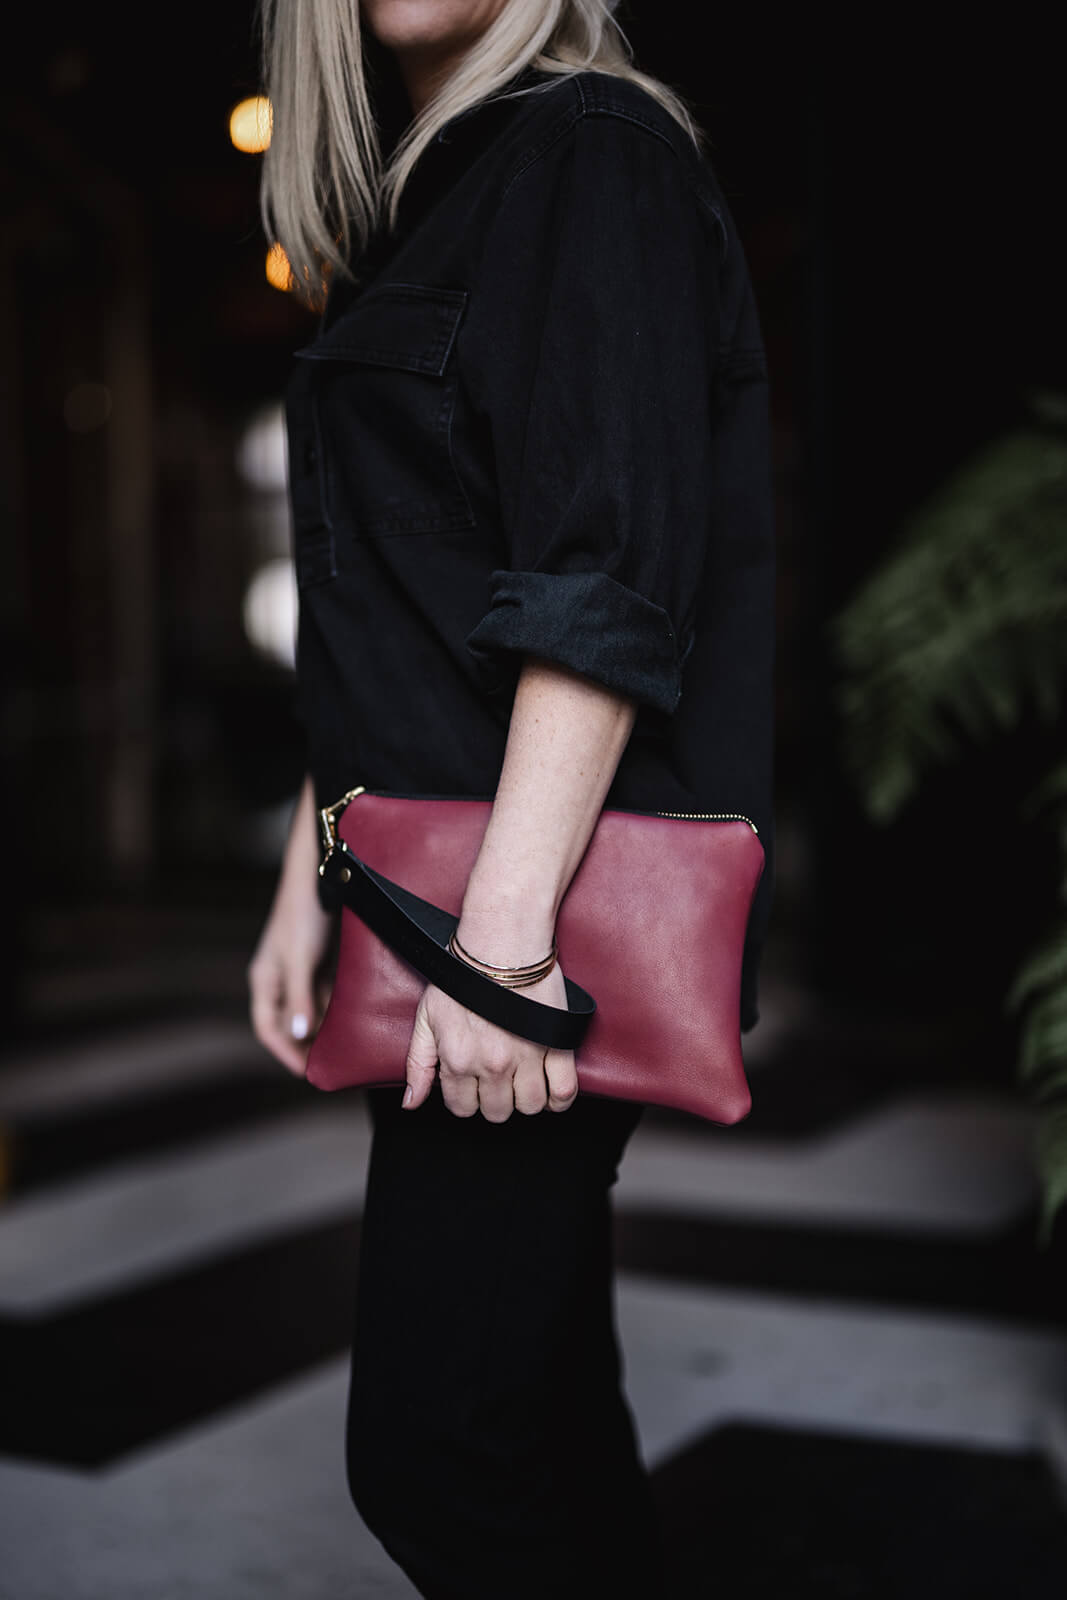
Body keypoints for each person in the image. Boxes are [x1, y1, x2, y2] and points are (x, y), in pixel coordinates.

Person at [248, 1, 775, 1594]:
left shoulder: (589, 154)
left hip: (516, 931)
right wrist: (309, 866)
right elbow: (397, 595)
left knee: (441, 1448)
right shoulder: (418, 194)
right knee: (540, 1411)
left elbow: (601, 582)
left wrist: (500, 949)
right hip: (427, 897)